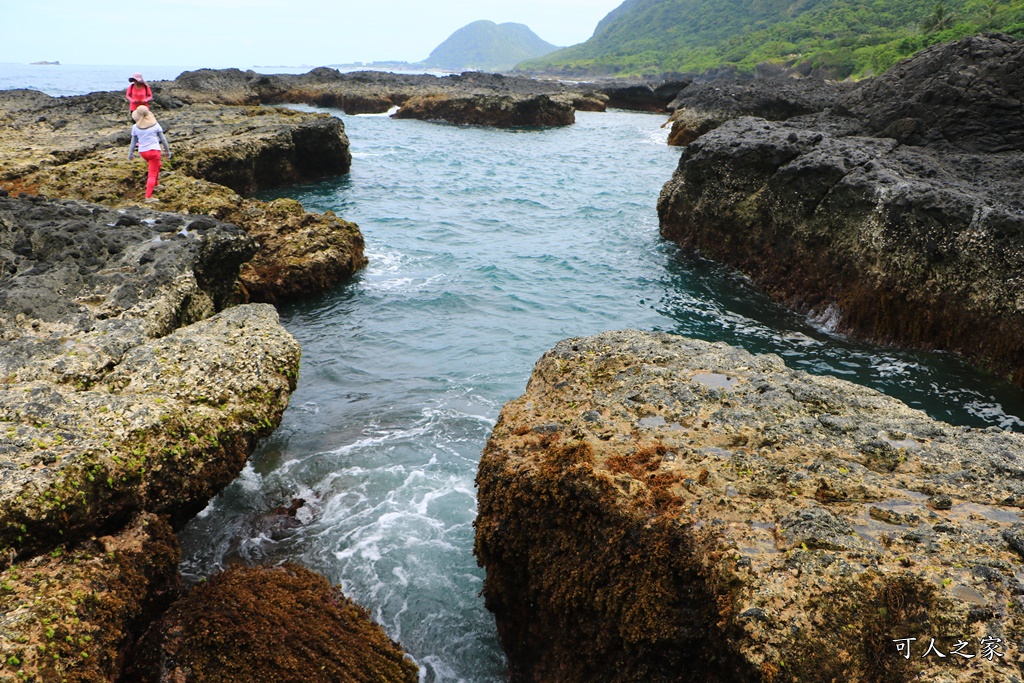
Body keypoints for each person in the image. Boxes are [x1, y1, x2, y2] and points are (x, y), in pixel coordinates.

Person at [127, 105, 171, 203]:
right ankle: (148, 197)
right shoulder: (155, 125)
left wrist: (130, 154)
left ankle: (156, 184)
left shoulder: (135, 127)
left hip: (143, 152)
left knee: (158, 165)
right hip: (154, 152)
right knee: (152, 173)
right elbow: (163, 139)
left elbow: (133, 142)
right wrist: (167, 151)